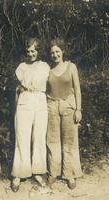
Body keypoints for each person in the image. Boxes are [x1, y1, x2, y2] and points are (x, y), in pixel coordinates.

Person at [11, 38, 50, 192]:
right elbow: (19, 87)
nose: (31, 53)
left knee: (39, 138)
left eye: (33, 50)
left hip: (40, 101)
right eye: (28, 51)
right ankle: (19, 173)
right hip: (25, 100)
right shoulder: (21, 67)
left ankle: (38, 172)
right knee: (22, 137)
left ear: (38, 51)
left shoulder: (45, 67)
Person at [46, 38, 83, 189]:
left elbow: (78, 89)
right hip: (52, 106)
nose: (55, 55)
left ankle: (70, 174)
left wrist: (78, 109)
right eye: (52, 52)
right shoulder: (48, 70)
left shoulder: (71, 66)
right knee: (53, 141)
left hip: (69, 105)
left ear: (62, 52)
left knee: (70, 142)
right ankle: (53, 173)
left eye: (57, 51)